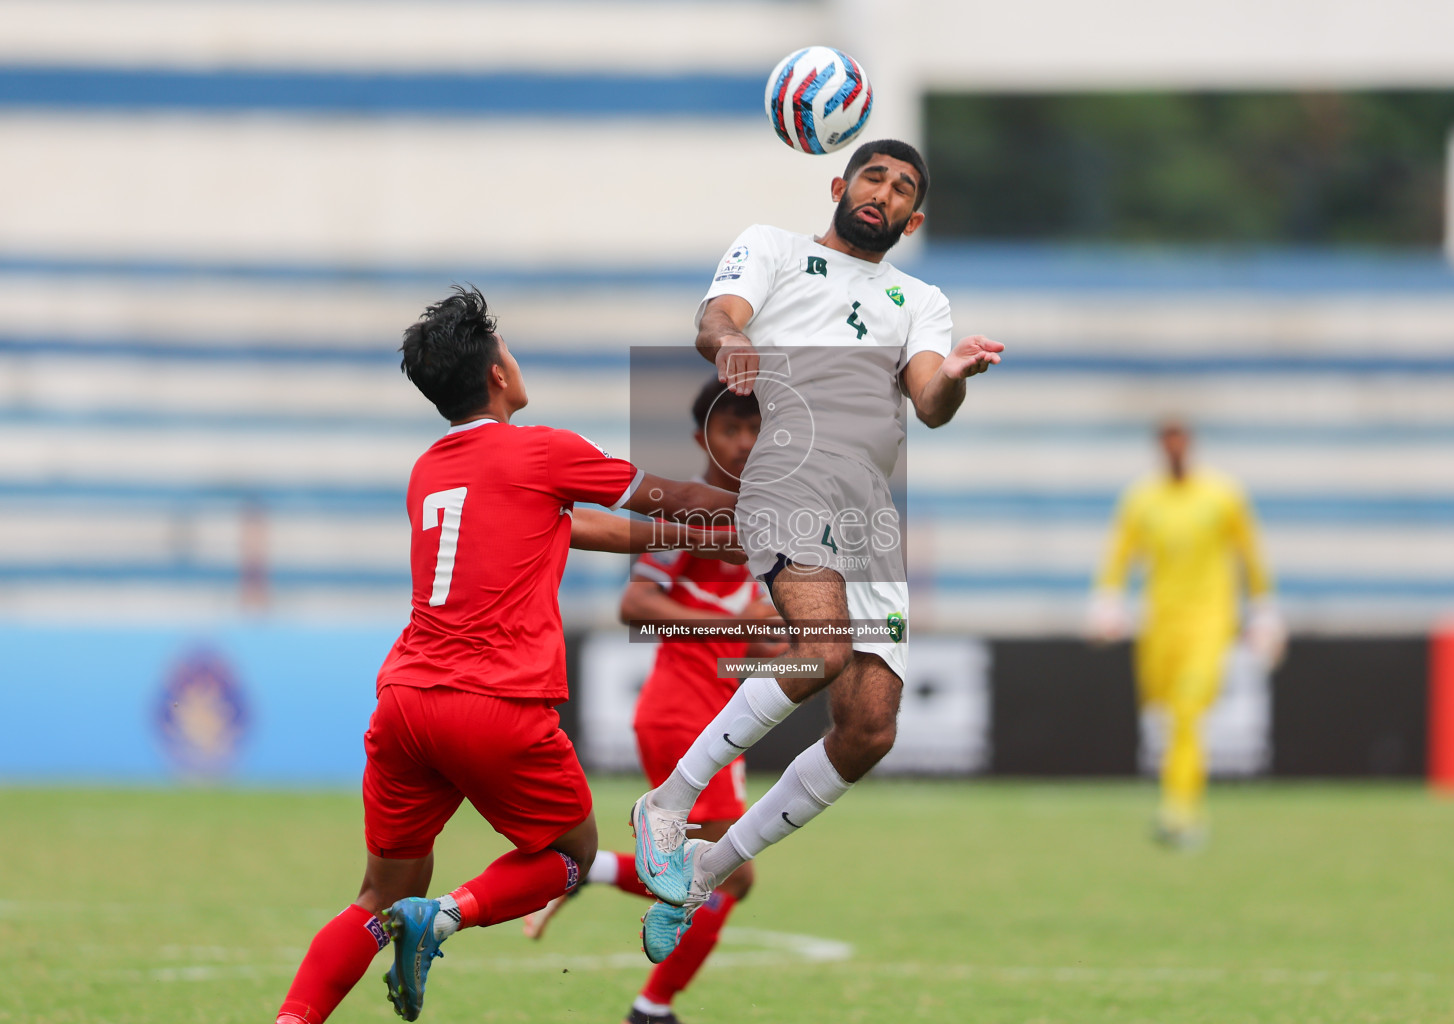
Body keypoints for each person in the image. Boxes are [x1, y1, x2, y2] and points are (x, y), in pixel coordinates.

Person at [271, 286, 741, 1024]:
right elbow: (664, 498)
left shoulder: (431, 470)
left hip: (405, 704)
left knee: (378, 893)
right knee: (570, 856)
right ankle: (449, 916)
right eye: (510, 354)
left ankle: (292, 1018)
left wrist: (712, 540)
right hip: (496, 702)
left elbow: (591, 531)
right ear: (497, 375)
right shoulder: (541, 450)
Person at [629, 139, 1006, 958]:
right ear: (840, 184)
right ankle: (668, 803)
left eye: (904, 187)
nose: (886, 193)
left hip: (868, 509)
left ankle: (706, 871)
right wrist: (728, 341)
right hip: (788, 479)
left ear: (915, 217)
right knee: (821, 648)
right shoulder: (772, 247)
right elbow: (716, 316)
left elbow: (931, 402)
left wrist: (962, 373)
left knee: (870, 730)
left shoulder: (919, 299)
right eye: (873, 177)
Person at [522, 378, 785, 1023]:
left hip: (720, 711)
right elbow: (635, 603)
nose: (746, 441)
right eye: (731, 429)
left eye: (756, 427)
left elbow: (758, 639)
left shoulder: (777, 517)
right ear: (703, 440)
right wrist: (737, 625)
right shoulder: (692, 516)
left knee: (723, 874)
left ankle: (599, 886)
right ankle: (651, 1008)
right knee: (728, 875)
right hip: (683, 713)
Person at [1087, 419, 1285, 847]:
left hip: (1210, 621)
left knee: (1188, 710)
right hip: (1160, 621)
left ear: (1190, 445)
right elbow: (1120, 553)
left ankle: (1181, 813)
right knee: (1161, 712)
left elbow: (1250, 553)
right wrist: (1108, 600)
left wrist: (1264, 611)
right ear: (1161, 448)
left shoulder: (1222, 495)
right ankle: (1176, 796)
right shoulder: (1143, 499)